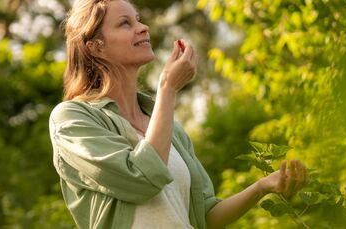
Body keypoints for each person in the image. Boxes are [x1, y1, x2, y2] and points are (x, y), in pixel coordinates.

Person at [48, 0, 308, 228]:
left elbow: (206, 217)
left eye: (138, 19)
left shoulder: (168, 127)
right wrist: (168, 89)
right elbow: (141, 178)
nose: (143, 27)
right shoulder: (72, 118)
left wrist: (263, 186)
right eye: (125, 23)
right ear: (96, 47)